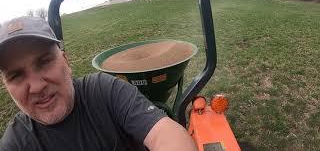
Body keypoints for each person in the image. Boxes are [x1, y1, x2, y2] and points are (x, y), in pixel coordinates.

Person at [0, 17, 197, 151]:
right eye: (16, 75)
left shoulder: (104, 91)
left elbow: (166, 135)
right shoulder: (16, 142)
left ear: (66, 62)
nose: (36, 86)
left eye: (44, 62)